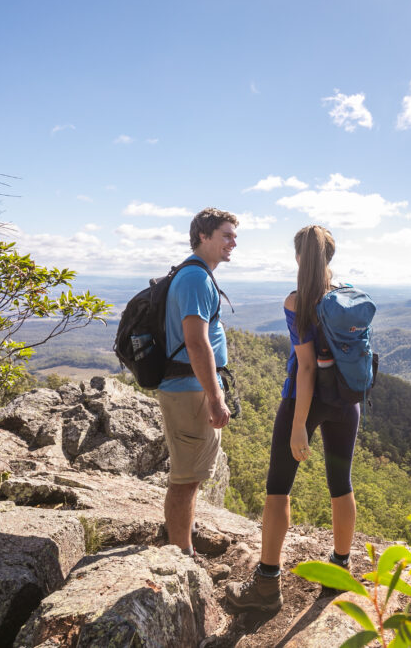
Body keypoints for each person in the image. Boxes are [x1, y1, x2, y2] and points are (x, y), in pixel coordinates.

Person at [226, 225, 360, 613]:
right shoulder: (347, 296)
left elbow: (305, 369)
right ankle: (339, 571)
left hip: (305, 400)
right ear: (330, 258)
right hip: (346, 401)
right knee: (341, 483)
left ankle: (267, 585)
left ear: (299, 257)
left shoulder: (297, 301)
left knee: (278, 488)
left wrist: (300, 422)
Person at [158, 207, 237, 557]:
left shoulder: (197, 275)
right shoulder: (195, 279)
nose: (233, 242)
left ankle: (181, 539)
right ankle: (180, 554)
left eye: (234, 236)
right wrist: (216, 398)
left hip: (191, 387)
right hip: (190, 391)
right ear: (203, 236)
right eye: (226, 235)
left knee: (190, 476)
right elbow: (195, 341)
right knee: (186, 479)